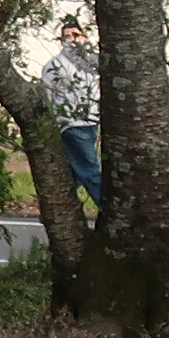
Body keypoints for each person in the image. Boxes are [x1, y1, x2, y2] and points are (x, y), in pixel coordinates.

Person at [42, 17, 101, 208]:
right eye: (67, 36)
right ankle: (111, 208)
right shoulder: (55, 66)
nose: (72, 39)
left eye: (75, 35)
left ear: (84, 37)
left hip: (91, 122)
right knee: (90, 168)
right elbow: (48, 96)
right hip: (71, 124)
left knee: (74, 171)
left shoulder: (93, 63)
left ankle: (59, 205)